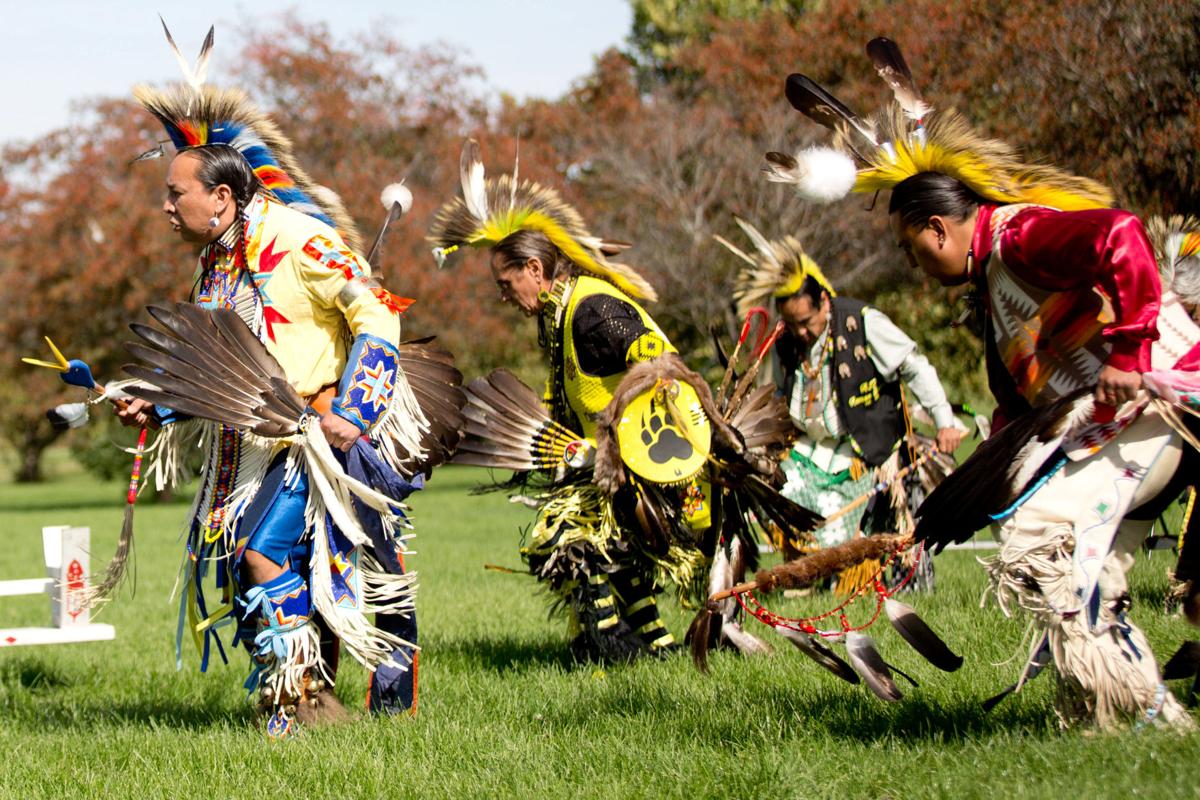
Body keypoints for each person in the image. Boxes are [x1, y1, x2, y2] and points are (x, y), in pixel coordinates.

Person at [771, 39, 1200, 729]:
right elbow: (1013, 421)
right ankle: (1100, 709)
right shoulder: (997, 282)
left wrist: (1129, 351)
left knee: (1042, 532)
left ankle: (1143, 710)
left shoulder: (1021, 237)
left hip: (1166, 402)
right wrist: (941, 513)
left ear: (938, 228)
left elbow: (1122, 234)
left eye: (915, 251)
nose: (918, 268)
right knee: (1081, 560)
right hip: (1123, 422)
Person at [112, 26, 461, 737]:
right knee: (264, 572)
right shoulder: (214, 264)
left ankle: (296, 707)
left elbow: (378, 312)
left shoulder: (299, 239)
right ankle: (311, 696)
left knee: (265, 553)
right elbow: (220, 368)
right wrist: (159, 403)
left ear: (219, 196)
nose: (165, 206)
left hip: (317, 434)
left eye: (174, 193)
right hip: (249, 447)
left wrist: (356, 409)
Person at [429, 141, 817, 662]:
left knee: (568, 541)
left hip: (655, 463)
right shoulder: (559, 316)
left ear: (536, 270)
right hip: (616, 463)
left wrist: (620, 435)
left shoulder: (593, 310)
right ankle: (646, 646)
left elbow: (663, 365)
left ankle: (613, 648)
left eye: (507, 282)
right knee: (610, 551)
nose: (503, 294)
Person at [721, 218, 964, 594]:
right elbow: (776, 397)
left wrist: (944, 421)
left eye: (806, 321)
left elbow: (915, 368)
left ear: (823, 301)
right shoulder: (786, 340)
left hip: (864, 451)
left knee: (845, 528)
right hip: (808, 450)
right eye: (791, 323)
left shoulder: (861, 322)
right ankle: (808, 577)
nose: (800, 331)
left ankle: (847, 578)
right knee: (778, 495)